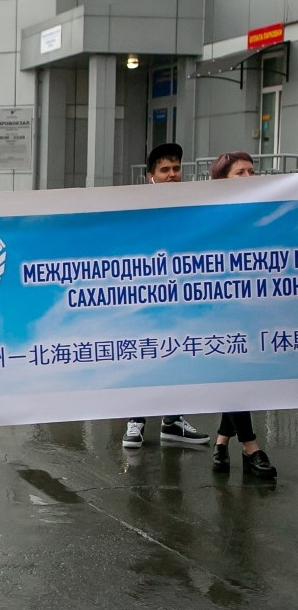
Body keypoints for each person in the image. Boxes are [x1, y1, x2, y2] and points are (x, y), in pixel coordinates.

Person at [122, 142, 211, 448]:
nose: (172, 174)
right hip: (144, 296)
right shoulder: (134, 207)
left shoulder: (192, 204)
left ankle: (172, 422)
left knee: (176, 352)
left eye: (176, 169)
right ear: (151, 176)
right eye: (165, 170)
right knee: (143, 353)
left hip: (179, 296)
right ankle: (136, 420)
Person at [207, 152, 276, 478]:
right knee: (233, 372)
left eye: (252, 171)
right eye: (241, 172)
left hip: (252, 308)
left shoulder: (263, 213)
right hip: (218, 309)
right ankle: (251, 447)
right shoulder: (210, 215)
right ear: (221, 181)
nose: (250, 176)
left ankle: (222, 443)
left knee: (237, 374)